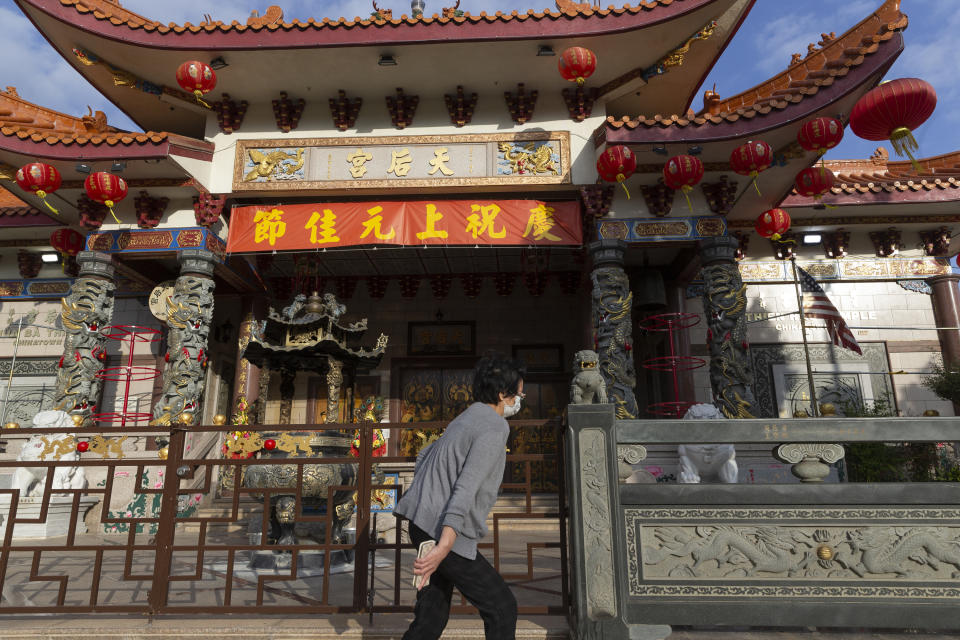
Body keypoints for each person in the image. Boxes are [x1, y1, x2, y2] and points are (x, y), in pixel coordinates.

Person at [393, 353, 525, 640]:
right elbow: (466, 487)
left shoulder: (467, 416)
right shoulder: (494, 425)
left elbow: (425, 456)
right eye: (518, 392)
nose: (520, 398)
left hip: (422, 522)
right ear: (503, 394)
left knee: (432, 614)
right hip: (442, 530)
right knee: (502, 607)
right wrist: (443, 547)